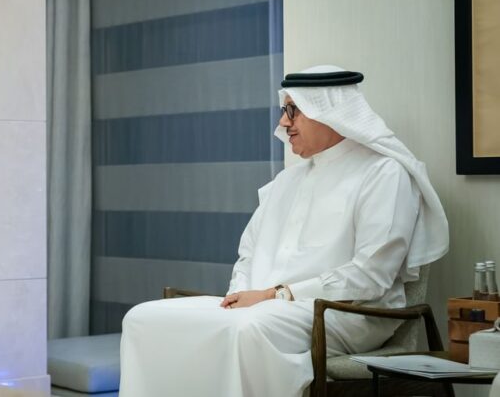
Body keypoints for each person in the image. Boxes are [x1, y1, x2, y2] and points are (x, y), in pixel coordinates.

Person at [119, 65, 449, 397]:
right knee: (143, 318)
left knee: (248, 329)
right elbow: (248, 254)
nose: (283, 122)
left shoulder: (383, 173)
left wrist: (274, 295)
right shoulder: (286, 181)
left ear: (330, 112)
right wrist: (239, 296)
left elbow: (372, 275)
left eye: (294, 110)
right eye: (284, 110)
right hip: (266, 310)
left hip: (345, 314)